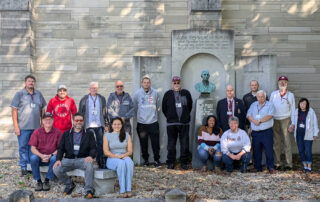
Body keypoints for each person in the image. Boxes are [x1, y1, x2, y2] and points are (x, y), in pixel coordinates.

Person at [53, 113, 96, 198]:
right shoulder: (66, 134)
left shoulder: (89, 133)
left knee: (89, 166)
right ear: (73, 121)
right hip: (69, 159)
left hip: (82, 159)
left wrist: (91, 156)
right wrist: (58, 159)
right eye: (77, 120)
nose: (79, 122)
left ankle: (88, 190)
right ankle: (69, 184)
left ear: (83, 122)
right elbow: (61, 148)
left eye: (81, 120)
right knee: (56, 169)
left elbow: (93, 148)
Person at [10, 75, 47, 176]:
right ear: (25, 83)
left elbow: (43, 107)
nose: (31, 82)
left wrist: (42, 123)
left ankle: (31, 166)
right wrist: (16, 126)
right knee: (23, 147)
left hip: (36, 128)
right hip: (23, 128)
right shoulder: (19, 94)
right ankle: (23, 167)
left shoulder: (38, 94)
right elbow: (14, 110)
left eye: (33, 81)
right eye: (29, 81)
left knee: (33, 147)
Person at [162, 76, 193, 170]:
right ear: (172, 84)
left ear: (180, 83)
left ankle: (184, 163)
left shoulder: (186, 93)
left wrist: (185, 116)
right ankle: (171, 162)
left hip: (184, 124)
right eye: (174, 83)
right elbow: (164, 108)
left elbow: (190, 106)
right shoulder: (167, 94)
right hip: (172, 124)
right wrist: (170, 116)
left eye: (178, 83)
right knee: (171, 145)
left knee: (184, 144)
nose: (176, 84)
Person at [28, 112, 62, 191]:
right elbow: (32, 148)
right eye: (46, 119)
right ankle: (38, 181)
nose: (48, 121)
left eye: (50, 119)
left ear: (53, 120)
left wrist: (50, 155)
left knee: (54, 159)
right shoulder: (37, 132)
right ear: (42, 121)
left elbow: (60, 149)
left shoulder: (57, 132)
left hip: (51, 157)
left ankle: (47, 181)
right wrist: (41, 156)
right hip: (40, 157)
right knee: (33, 158)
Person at [79, 82, 108, 169]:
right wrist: (80, 123)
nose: (93, 89)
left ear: (97, 89)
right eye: (92, 88)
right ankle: (89, 161)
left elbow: (104, 112)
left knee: (100, 143)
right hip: (89, 125)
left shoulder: (102, 98)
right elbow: (80, 111)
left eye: (95, 88)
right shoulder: (84, 99)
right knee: (90, 143)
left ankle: (100, 161)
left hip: (99, 124)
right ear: (89, 89)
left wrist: (106, 123)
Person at [133, 76, 161, 167]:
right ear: (142, 83)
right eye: (144, 82)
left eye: (148, 82)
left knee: (155, 144)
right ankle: (146, 161)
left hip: (153, 122)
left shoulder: (155, 93)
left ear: (150, 83)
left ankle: (157, 160)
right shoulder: (137, 93)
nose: (146, 84)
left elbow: (158, 106)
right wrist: (141, 116)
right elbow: (135, 107)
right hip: (142, 123)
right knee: (143, 144)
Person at [103, 117, 134, 197]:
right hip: (112, 158)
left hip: (124, 156)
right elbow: (106, 152)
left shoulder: (127, 135)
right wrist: (116, 156)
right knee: (121, 163)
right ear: (112, 125)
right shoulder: (107, 135)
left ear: (122, 125)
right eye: (115, 124)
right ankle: (122, 190)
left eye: (119, 124)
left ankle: (128, 189)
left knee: (129, 162)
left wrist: (122, 156)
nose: (117, 126)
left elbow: (130, 151)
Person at [247, 90, 275, 174]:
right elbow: (248, 115)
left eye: (262, 96)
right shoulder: (253, 105)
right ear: (257, 97)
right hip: (255, 132)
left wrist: (259, 121)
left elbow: (270, 116)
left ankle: (270, 167)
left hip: (266, 132)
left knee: (269, 150)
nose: (260, 98)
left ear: (265, 97)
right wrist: (253, 121)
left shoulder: (270, 104)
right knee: (256, 151)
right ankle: (257, 167)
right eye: (259, 96)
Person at [270, 76, 295, 170]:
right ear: (278, 83)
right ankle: (277, 163)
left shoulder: (290, 95)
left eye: (284, 82)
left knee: (287, 142)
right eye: (281, 82)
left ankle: (289, 164)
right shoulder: (274, 94)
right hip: (275, 120)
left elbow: (292, 110)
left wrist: (292, 124)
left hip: (286, 119)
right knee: (276, 142)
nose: (282, 83)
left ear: (287, 84)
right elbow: (270, 107)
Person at [289, 98, 319, 172]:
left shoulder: (311, 111)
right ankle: (305, 165)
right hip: (299, 135)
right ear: (299, 104)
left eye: (304, 104)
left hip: (308, 135)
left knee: (308, 151)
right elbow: (293, 122)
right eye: (301, 103)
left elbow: (315, 123)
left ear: (307, 105)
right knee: (301, 151)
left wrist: (315, 134)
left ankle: (309, 166)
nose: (302, 105)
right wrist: (291, 126)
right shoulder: (296, 111)